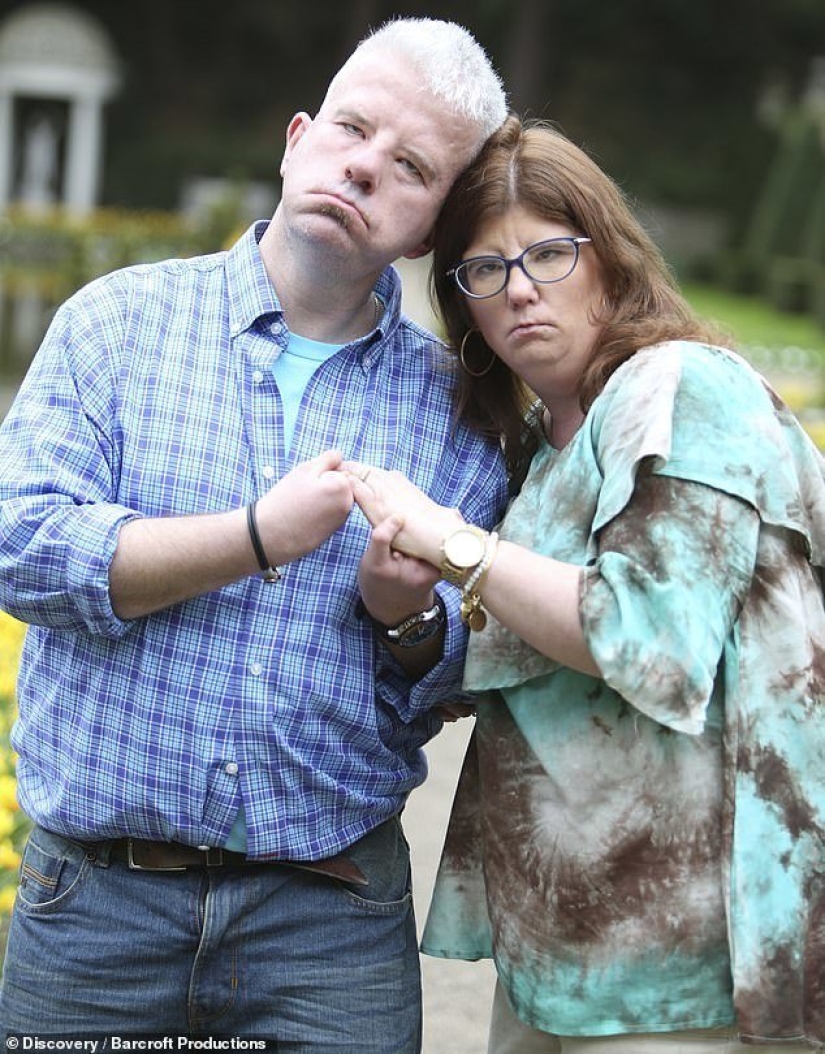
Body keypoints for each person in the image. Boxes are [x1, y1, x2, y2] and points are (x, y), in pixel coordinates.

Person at [0, 19, 509, 1047]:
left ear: (427, 231)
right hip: (94, 908)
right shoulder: (115, 324)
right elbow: (24, 552)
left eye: (410, 167)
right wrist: (252, 536)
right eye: (352, 129)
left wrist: (406, 619)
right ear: (296, 139)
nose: (363, 167)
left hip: (330, 920)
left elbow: (470, 676)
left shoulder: (460, 415)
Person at [346, 115, 825, 1053]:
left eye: (548, 255)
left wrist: (457, 545)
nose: (520, 289)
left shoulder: (681, 386)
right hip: (557, 954)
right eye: (484, 270)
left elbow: (651, 642)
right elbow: (506, 664)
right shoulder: (537, 452)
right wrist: (404, 617)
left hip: (691, 966)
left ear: (609, 257)